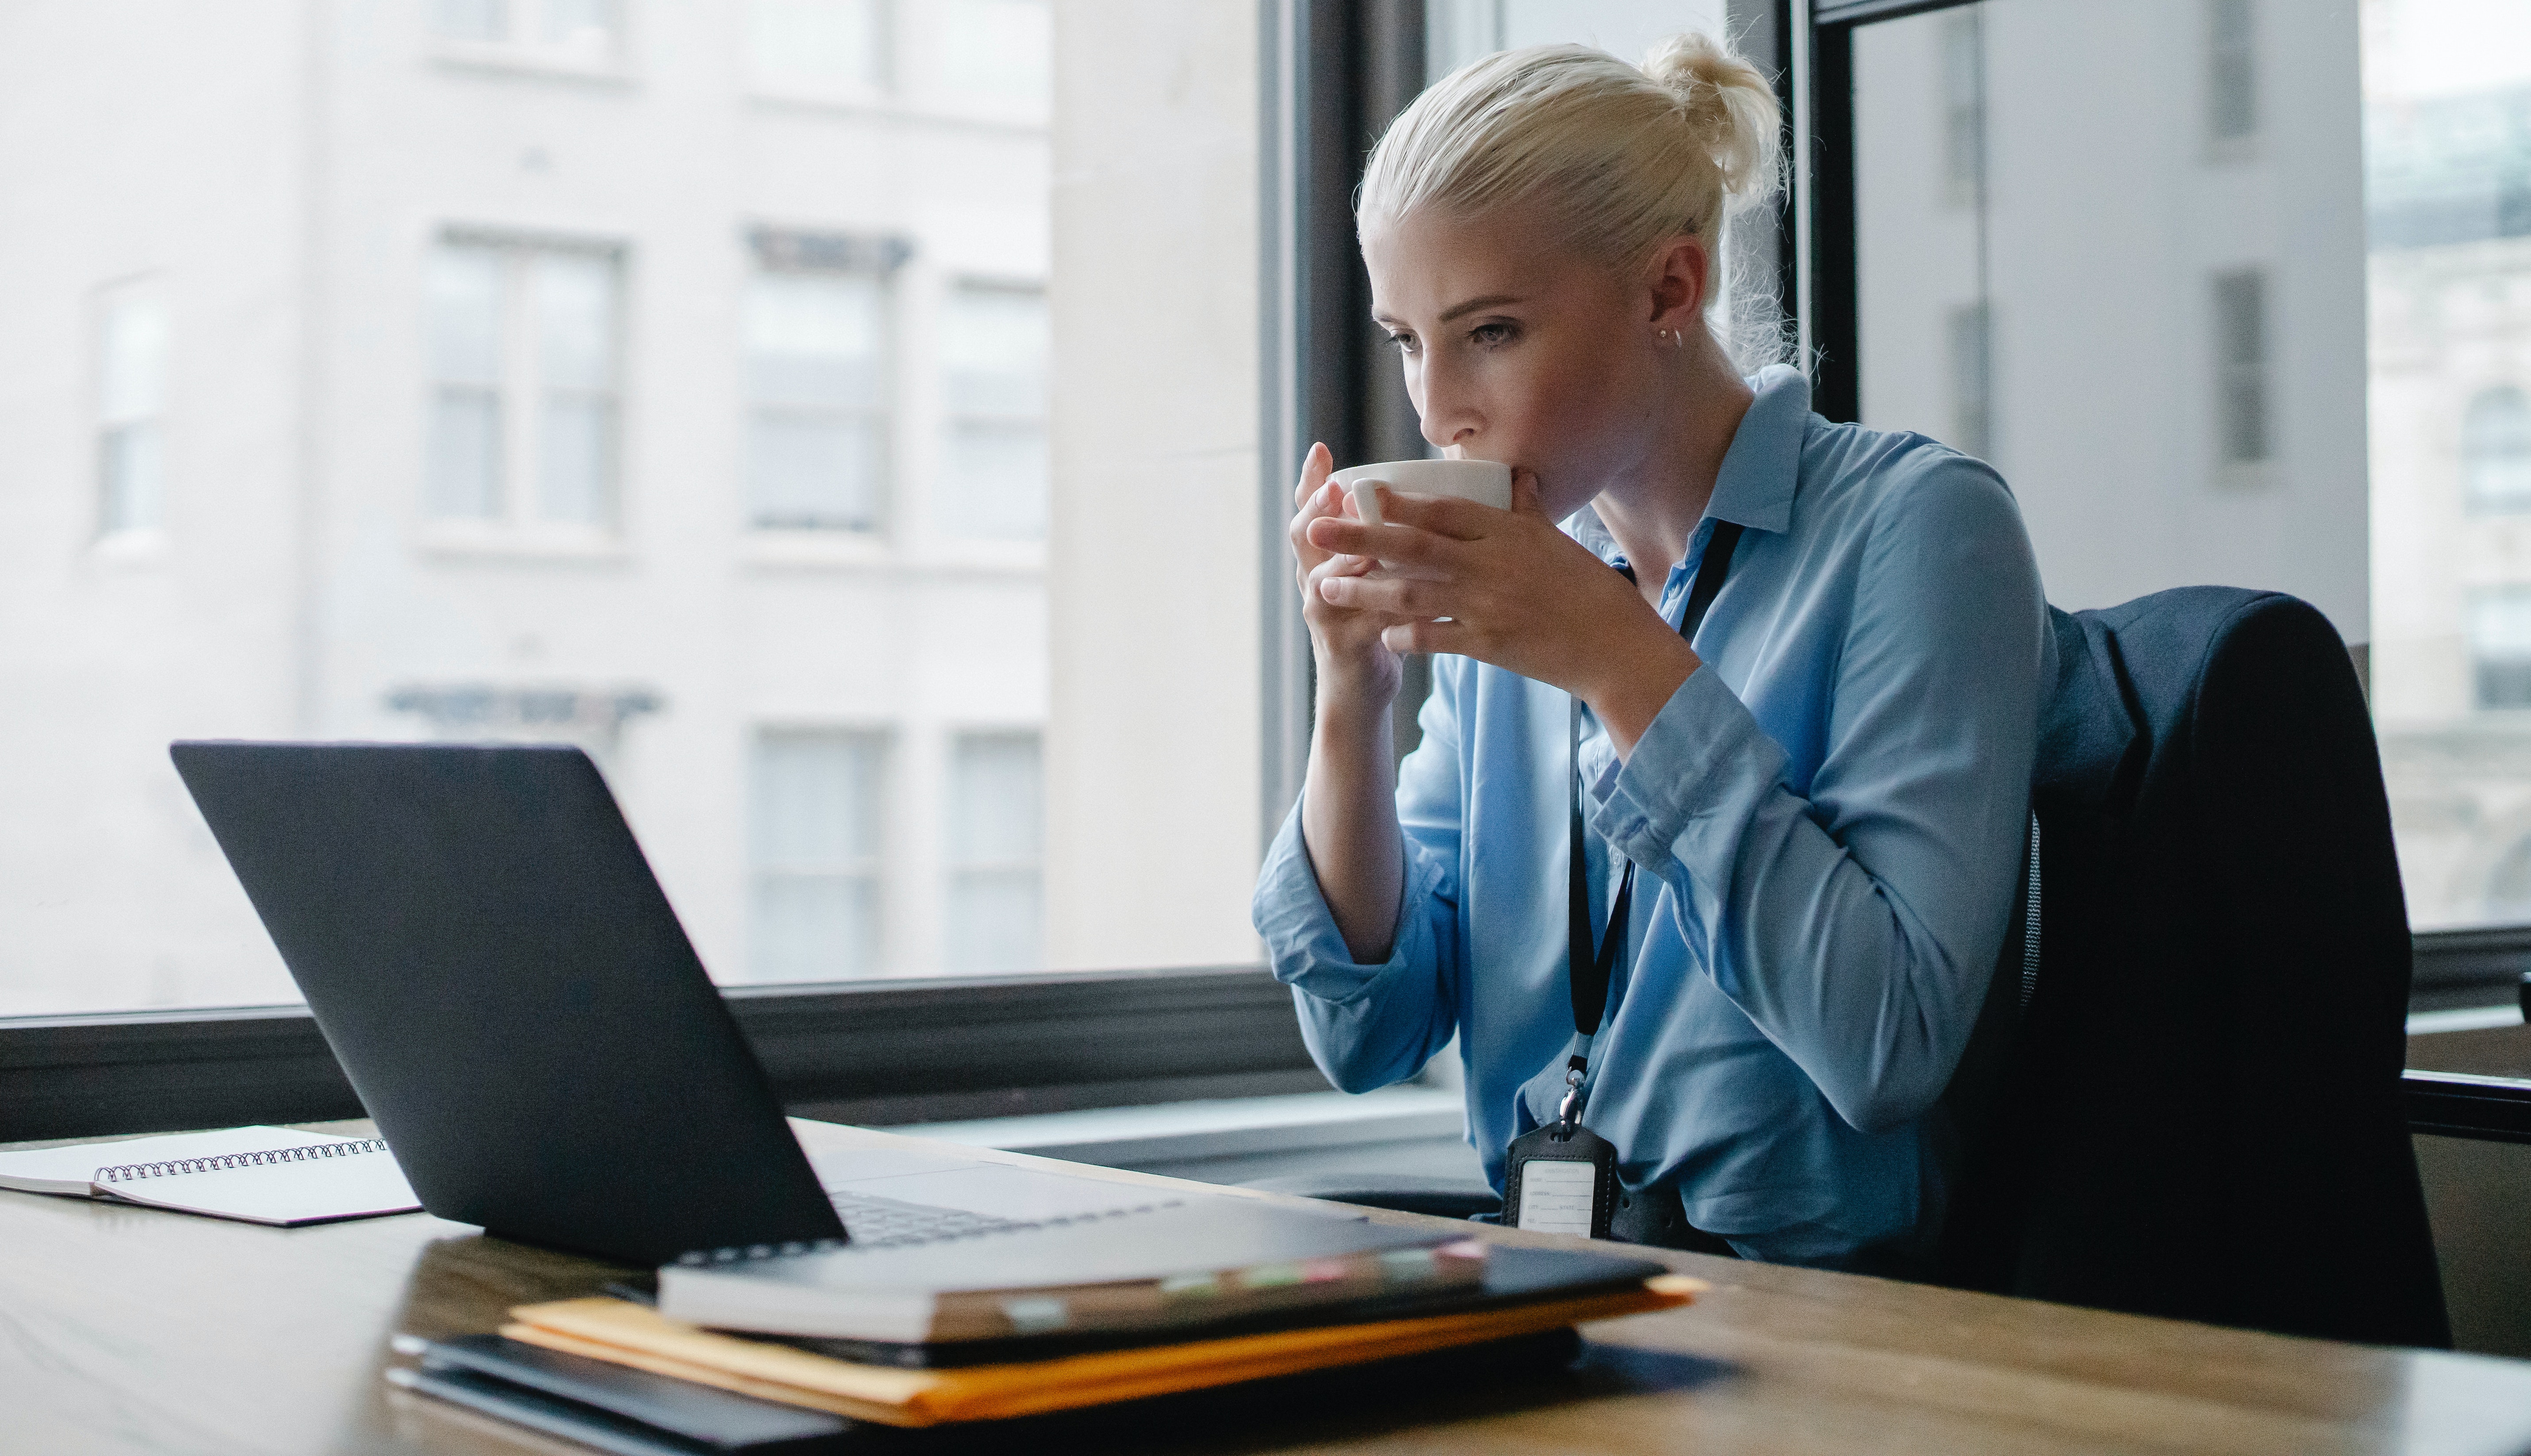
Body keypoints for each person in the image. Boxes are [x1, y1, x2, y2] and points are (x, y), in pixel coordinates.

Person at [1250, 33, 2047, 1272]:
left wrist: (1618, 662)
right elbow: (1367, 1032)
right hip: (1557, 1285)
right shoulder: (1516, 583)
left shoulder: (1920, 527)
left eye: (1491, 331)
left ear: (1668, 292)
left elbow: (1887, 1046)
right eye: (1406, 338)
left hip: (1831, 1318)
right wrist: (1352, 692)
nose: (1433, 406)